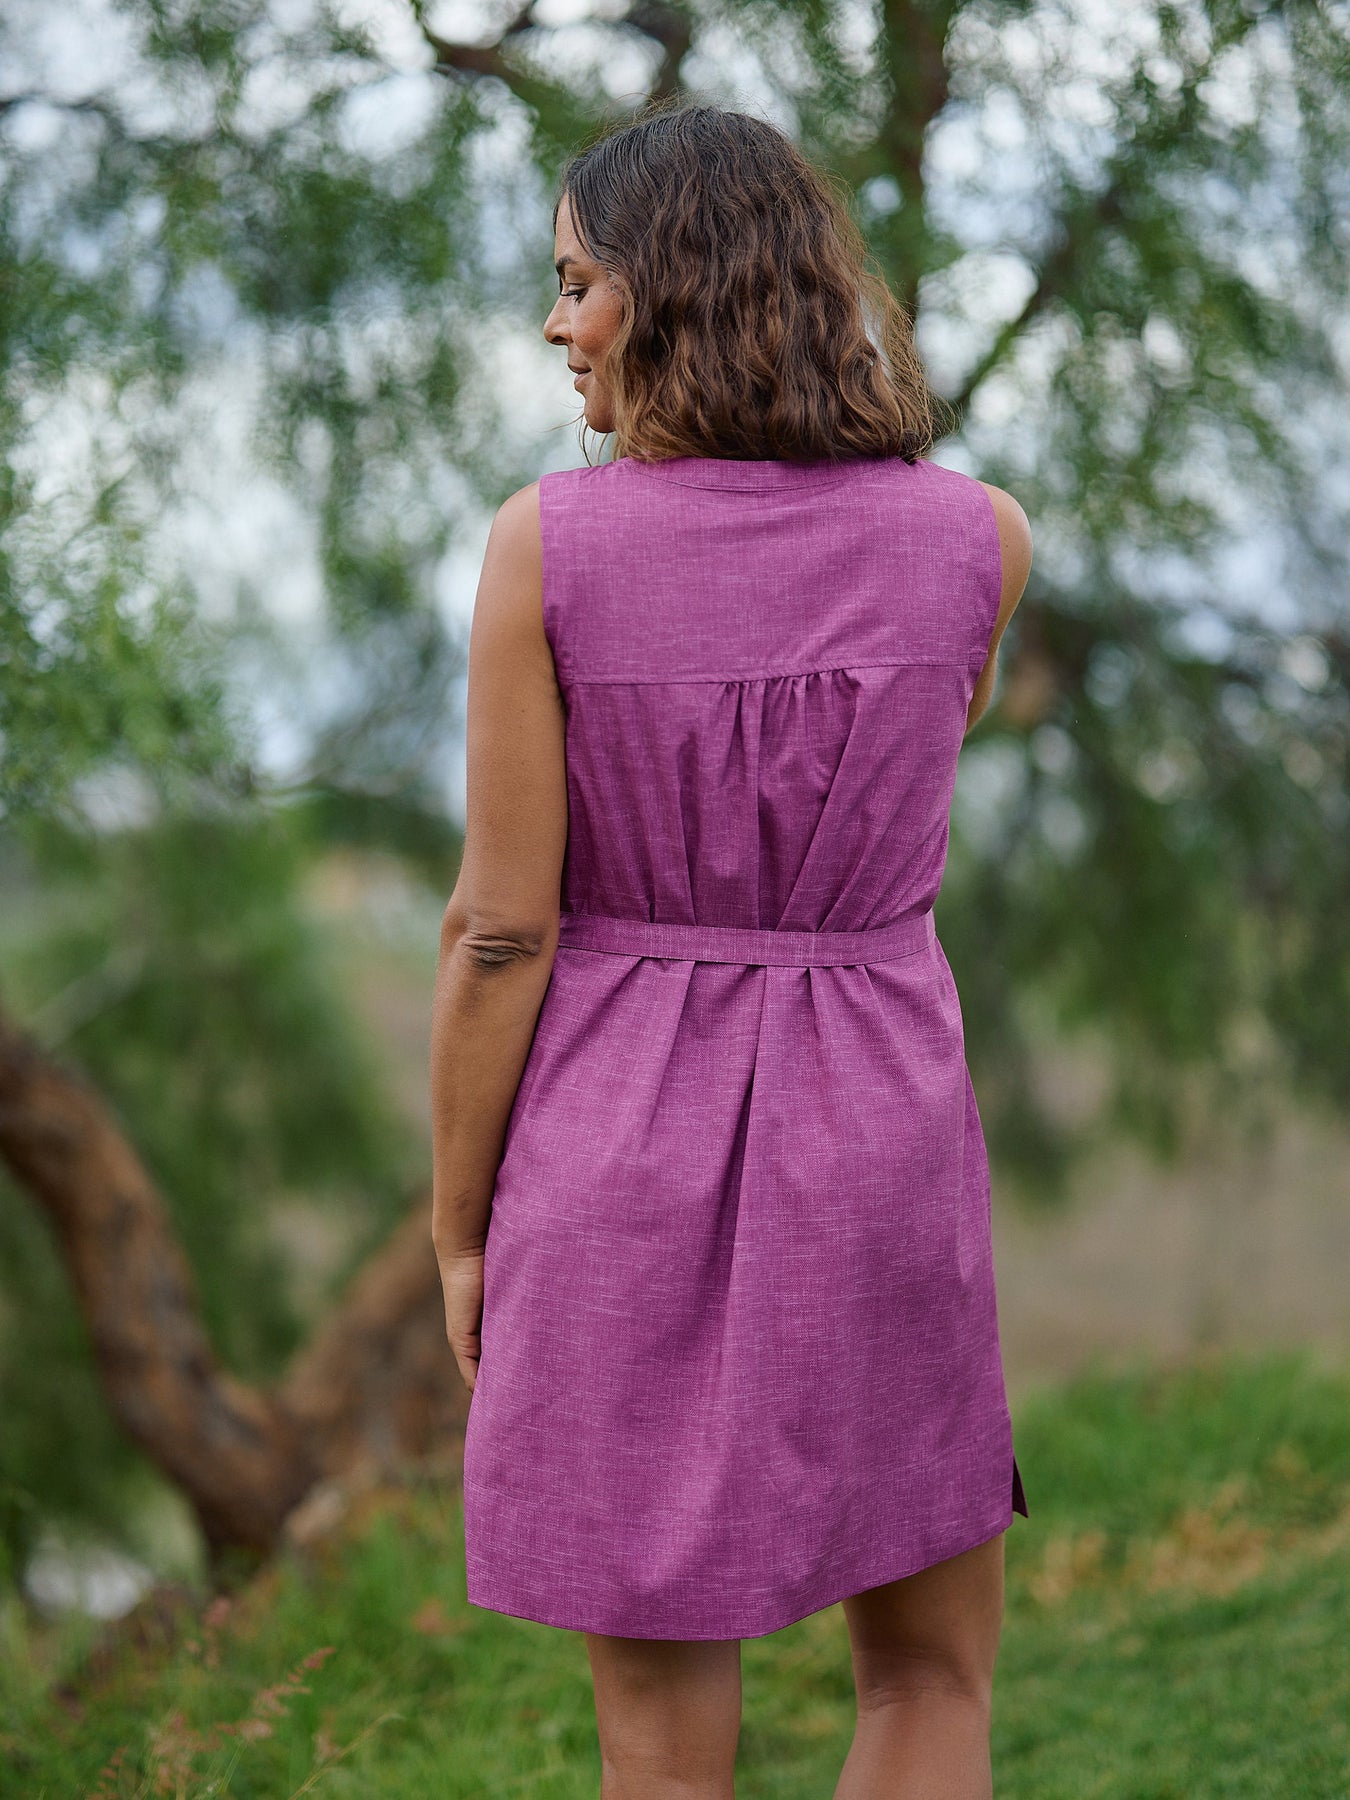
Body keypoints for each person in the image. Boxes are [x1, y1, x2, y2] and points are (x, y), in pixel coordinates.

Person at [431, 98, 1033, 1800]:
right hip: (882, 1144)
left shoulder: (546, 545)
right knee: (927, 1685)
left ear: (671, 286)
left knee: (664, 1760)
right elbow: (885, 819)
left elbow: (500, 931)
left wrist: (459, 1226)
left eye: (577, 282)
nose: (555, 323)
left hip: (613, 1157)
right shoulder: (976, 537)